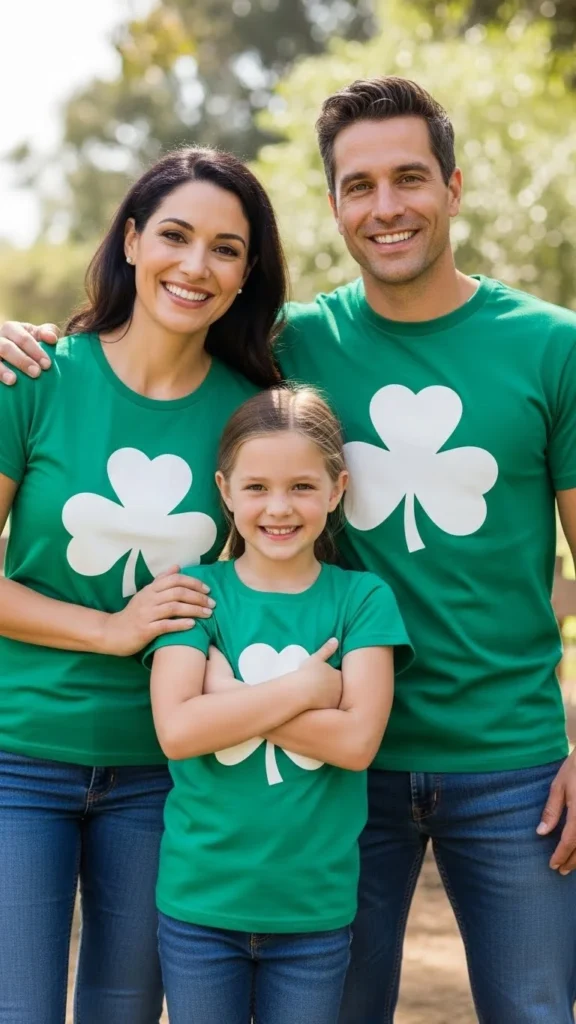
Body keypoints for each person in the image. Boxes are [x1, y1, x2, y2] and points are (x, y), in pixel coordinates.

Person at [4, 75, 576, 1021]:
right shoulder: (286, 355)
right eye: (360, 185)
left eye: (409, 179)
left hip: (498, 760)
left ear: (456, 186)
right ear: (333, 205)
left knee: (535, 1006)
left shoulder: (542, 349)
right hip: (316, 765)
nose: (386, 207)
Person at [0, 145, 288, 1024]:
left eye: (227, 248)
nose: (195, 266)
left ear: (247, 275)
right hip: (20, 758)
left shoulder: (252, 414)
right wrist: (112, 631)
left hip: (168, 772)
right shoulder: (36, 380)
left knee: (124, 1012)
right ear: (130, 241)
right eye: (174, 235)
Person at [144, 385, 412, 1024]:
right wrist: (308, 689)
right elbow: (179, 731)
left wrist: (230, 699)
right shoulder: (195, 594)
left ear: (336, 488)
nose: (279, 508)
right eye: (257, 487)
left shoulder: (362, 600)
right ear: (225, 489)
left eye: (302, 486)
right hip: (200, 905)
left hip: (314, 912)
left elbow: (356, 744)